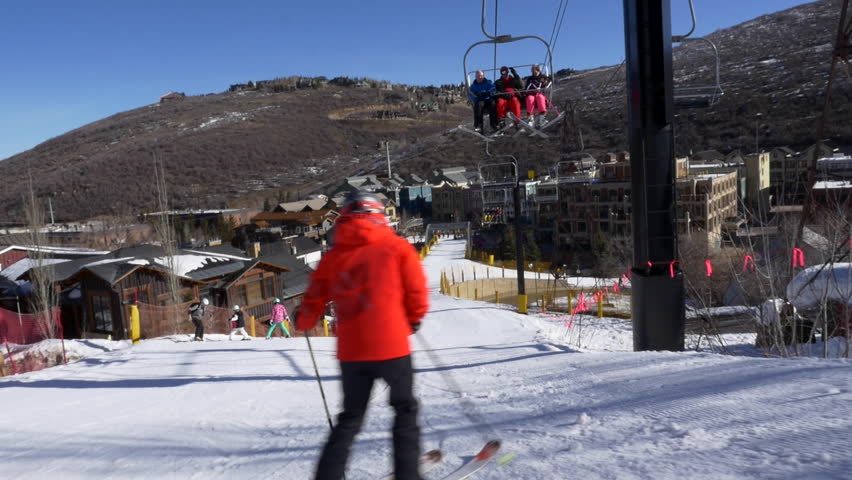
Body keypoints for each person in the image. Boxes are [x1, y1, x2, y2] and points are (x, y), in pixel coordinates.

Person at [296, 191, 429, 480]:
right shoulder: (397, 247)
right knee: (404, 410)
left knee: (351, 417)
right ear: (379, 213)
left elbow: (314, 298)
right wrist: (414, 319)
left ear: (345, 216)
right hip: (392, 346)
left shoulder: (335, 256)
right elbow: (417, 291)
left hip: (352, 353)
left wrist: (304, 320)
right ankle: (408, 474)